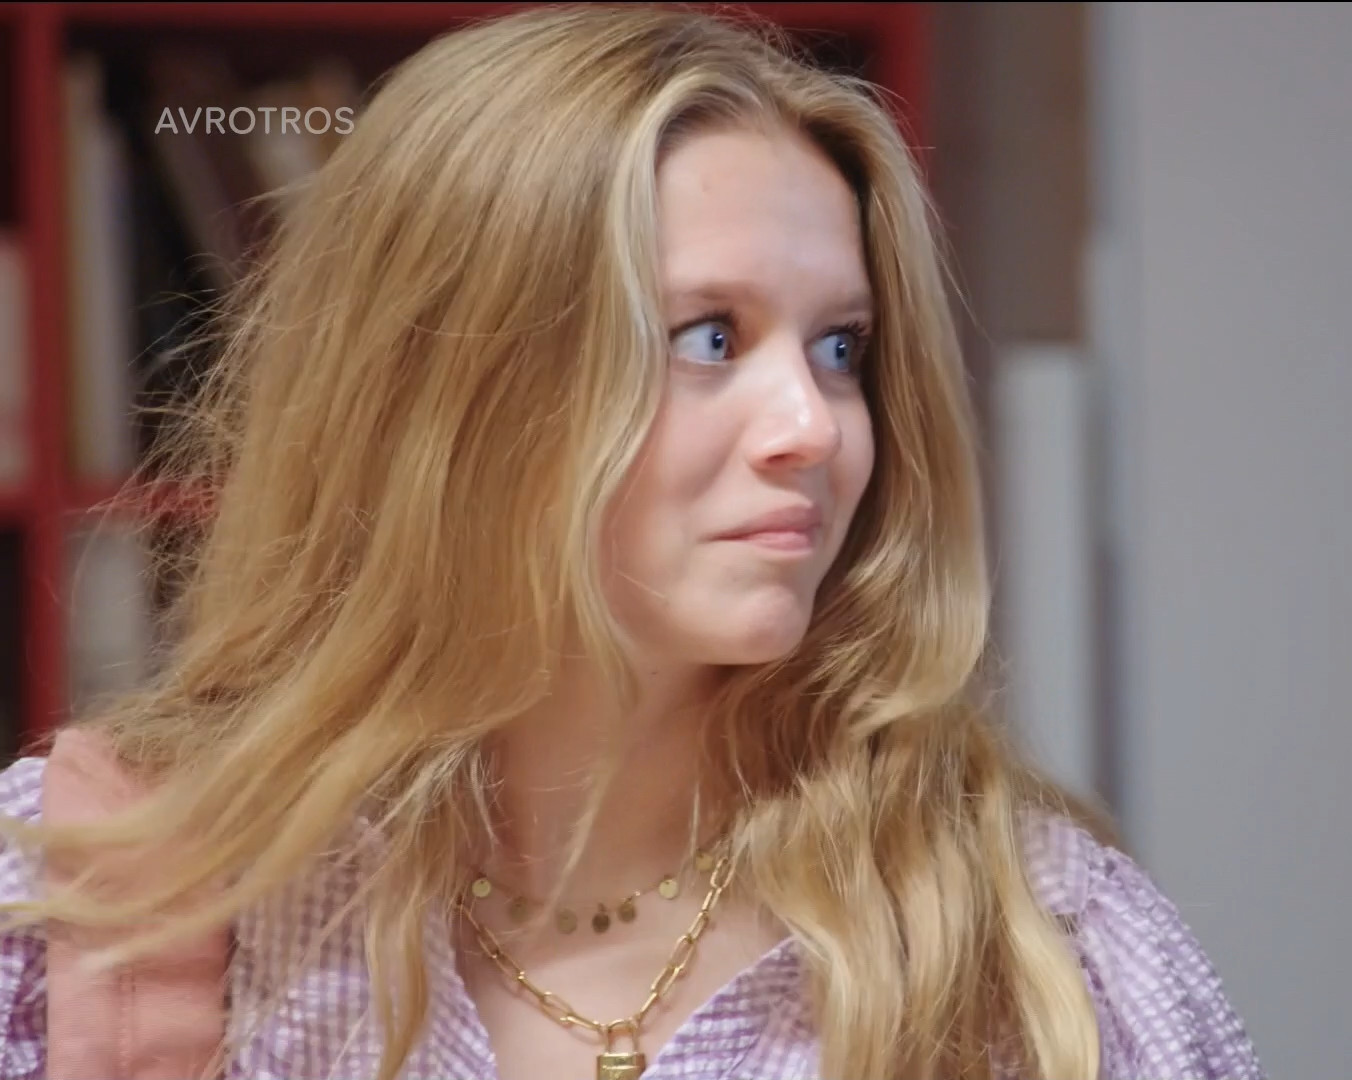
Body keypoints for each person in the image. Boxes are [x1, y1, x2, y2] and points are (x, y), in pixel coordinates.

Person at [0, 6, 1263, 1079]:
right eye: (709, 337)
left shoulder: (1040, 946)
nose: (814, 427)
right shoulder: (91, 900)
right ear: (452, 397)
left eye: (842, 348)